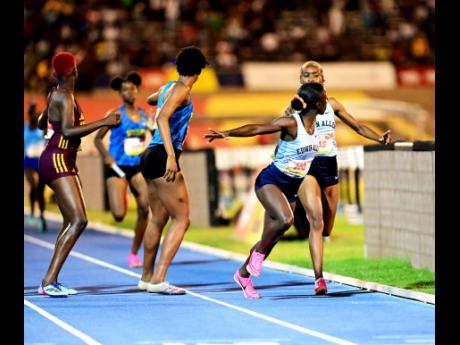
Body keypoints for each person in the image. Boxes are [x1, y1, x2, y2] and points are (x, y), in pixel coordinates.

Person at [205, 82, 328, 299]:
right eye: (325, 97)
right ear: (318, 103)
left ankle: (243, 275)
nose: (327, 100)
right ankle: (258, 255)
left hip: (291, 187)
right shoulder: (292, 123)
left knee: (271, 238)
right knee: (285, 220)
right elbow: (256, 128)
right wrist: (226, 133)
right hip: (271, 181)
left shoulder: (318, 128)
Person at [289, 61, 392, 295]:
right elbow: (283, 126)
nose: (311, 78)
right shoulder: (296, 104)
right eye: (306, 75)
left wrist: (378, 138)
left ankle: (322, 234)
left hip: (328, 164)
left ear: (322, 78)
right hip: (307, 164)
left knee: (327, 225)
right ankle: (319, 278)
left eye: (315, 74)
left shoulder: (332, 104)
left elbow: (357, 126)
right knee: (316, 219)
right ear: (301, 80)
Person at [37, 51, 120, 297]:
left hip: (60, 159)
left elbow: (43, 122)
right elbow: (70, 131)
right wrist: (104, 122)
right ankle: (49, 281)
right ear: (74, 71)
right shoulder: (64, 95)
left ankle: (51, 279)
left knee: (70, 222)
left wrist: (51, 124)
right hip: (59, 159)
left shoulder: (56, 94)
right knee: (79, 220)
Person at [137, 46, 209, 295]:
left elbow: (150, 100)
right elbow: (161, 118)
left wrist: (161, 97)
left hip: (148, 156)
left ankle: (146, 277)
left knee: (157, 219)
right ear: (198, 72)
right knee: (182, 219)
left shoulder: (170, 87)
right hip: (161, 155)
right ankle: (159, 279)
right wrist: (171, 156)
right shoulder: (183, 90)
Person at [94, 72, 152, 268]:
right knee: (119, 215)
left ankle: (134, 253)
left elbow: (152, 136)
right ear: (120, 93)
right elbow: (97, 139)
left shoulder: (144, 116)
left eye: (133, 88)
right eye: (125, 89)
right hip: (117, 168)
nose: (130, 92)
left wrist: (152, 131)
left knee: (145, 206)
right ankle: (123, 194)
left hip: (136, 167)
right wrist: (108, 158)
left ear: (137, 90)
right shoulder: (116, 115)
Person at [24, 100, 47, 232]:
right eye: (31, 112)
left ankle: (41, 216)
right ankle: (33, 211)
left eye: (35, 112)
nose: (33, 114)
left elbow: (48, 139)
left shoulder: (42, 128)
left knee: (40, 190)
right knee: (33, 185)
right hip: (28, 161)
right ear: (29, 113)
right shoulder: (25, 128)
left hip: (40, 160)